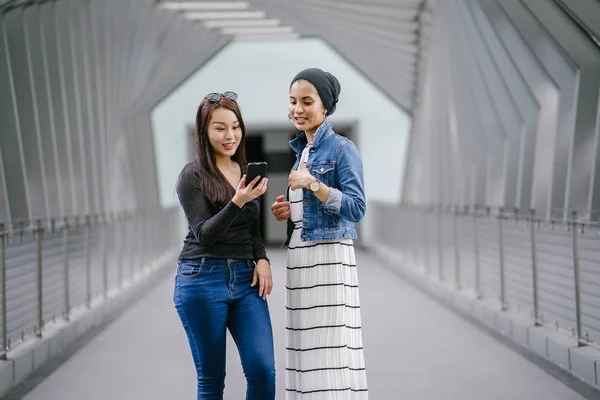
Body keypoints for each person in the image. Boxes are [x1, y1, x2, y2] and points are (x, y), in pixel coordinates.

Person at [271, 69, 369, 399]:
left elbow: (356, 207)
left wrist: (312, 184)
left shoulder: (342, 149)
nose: (297, 109)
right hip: (300, 257)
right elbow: (310, 206)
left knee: (329, 347)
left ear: (324, 107)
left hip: (328, 258)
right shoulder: (303, 151)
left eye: (307, 102)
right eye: (293, 101)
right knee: (305, 347)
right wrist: (290, 211)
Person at [174, 91, 276, 400]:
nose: (230, 135)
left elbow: (252, 230)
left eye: (235, 126)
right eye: (220, 128)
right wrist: (237, 201)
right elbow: (205, 233)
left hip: (246, 278)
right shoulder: (192, 176)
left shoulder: (245, 172)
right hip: (202, 278)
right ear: (204, 131)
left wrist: (262, 258)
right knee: (211, 379)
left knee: (262, 369)